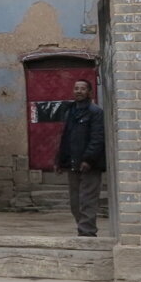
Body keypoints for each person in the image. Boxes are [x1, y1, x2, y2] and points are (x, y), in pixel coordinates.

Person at [54, 79, 106, 237]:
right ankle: (82, 228)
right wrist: (59, 160)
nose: (78, 91)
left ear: (89, 92)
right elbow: (66, 137)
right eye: (76, 88)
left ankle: (87, 233)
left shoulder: (95, 112)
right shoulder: (71, 111)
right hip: (72, 163)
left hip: (90, 165)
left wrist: (88, 159)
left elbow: (97, 138)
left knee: (88, 200)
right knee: (75, 203)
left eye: (82, 89)